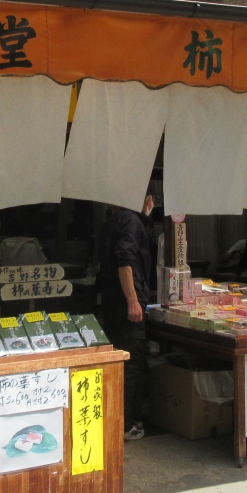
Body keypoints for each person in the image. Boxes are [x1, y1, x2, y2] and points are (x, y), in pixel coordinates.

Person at [98, 186, 156, 441]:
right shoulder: (131, 221)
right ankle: (127, 424)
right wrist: (133, 300)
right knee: (131, 363)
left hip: (111, 304)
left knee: (119, 361)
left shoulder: (113, 221)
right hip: (126, 306)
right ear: (146, 199)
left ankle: (117, 420)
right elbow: (124, 260)